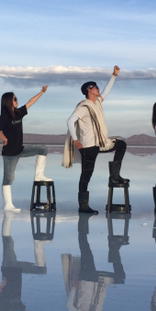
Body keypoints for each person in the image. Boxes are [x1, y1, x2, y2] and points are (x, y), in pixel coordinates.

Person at [64, 65, 128, 214]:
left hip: (99, 143)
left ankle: (114, 175)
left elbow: (106, 91)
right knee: (86, 175)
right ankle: (83, 205)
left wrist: (114, 76)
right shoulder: (84, 107)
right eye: (96, 87)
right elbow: (70, 121)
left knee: (121, 145)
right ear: (89, 90)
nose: (98, 89)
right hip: (88, 146)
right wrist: (75, 140)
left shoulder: (97, 103)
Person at [0, 86, 51, 212]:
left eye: (16, 99)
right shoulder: (5, 116)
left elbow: (30, 102)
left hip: (20, 150)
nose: (17, 101)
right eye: (15, 99)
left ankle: (39, 175)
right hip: (10, 153)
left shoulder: (18, 113)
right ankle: (8, 205)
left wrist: (42, 92)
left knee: (42, 149)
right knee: (8, 179)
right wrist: (4, 139)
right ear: (9, 101)